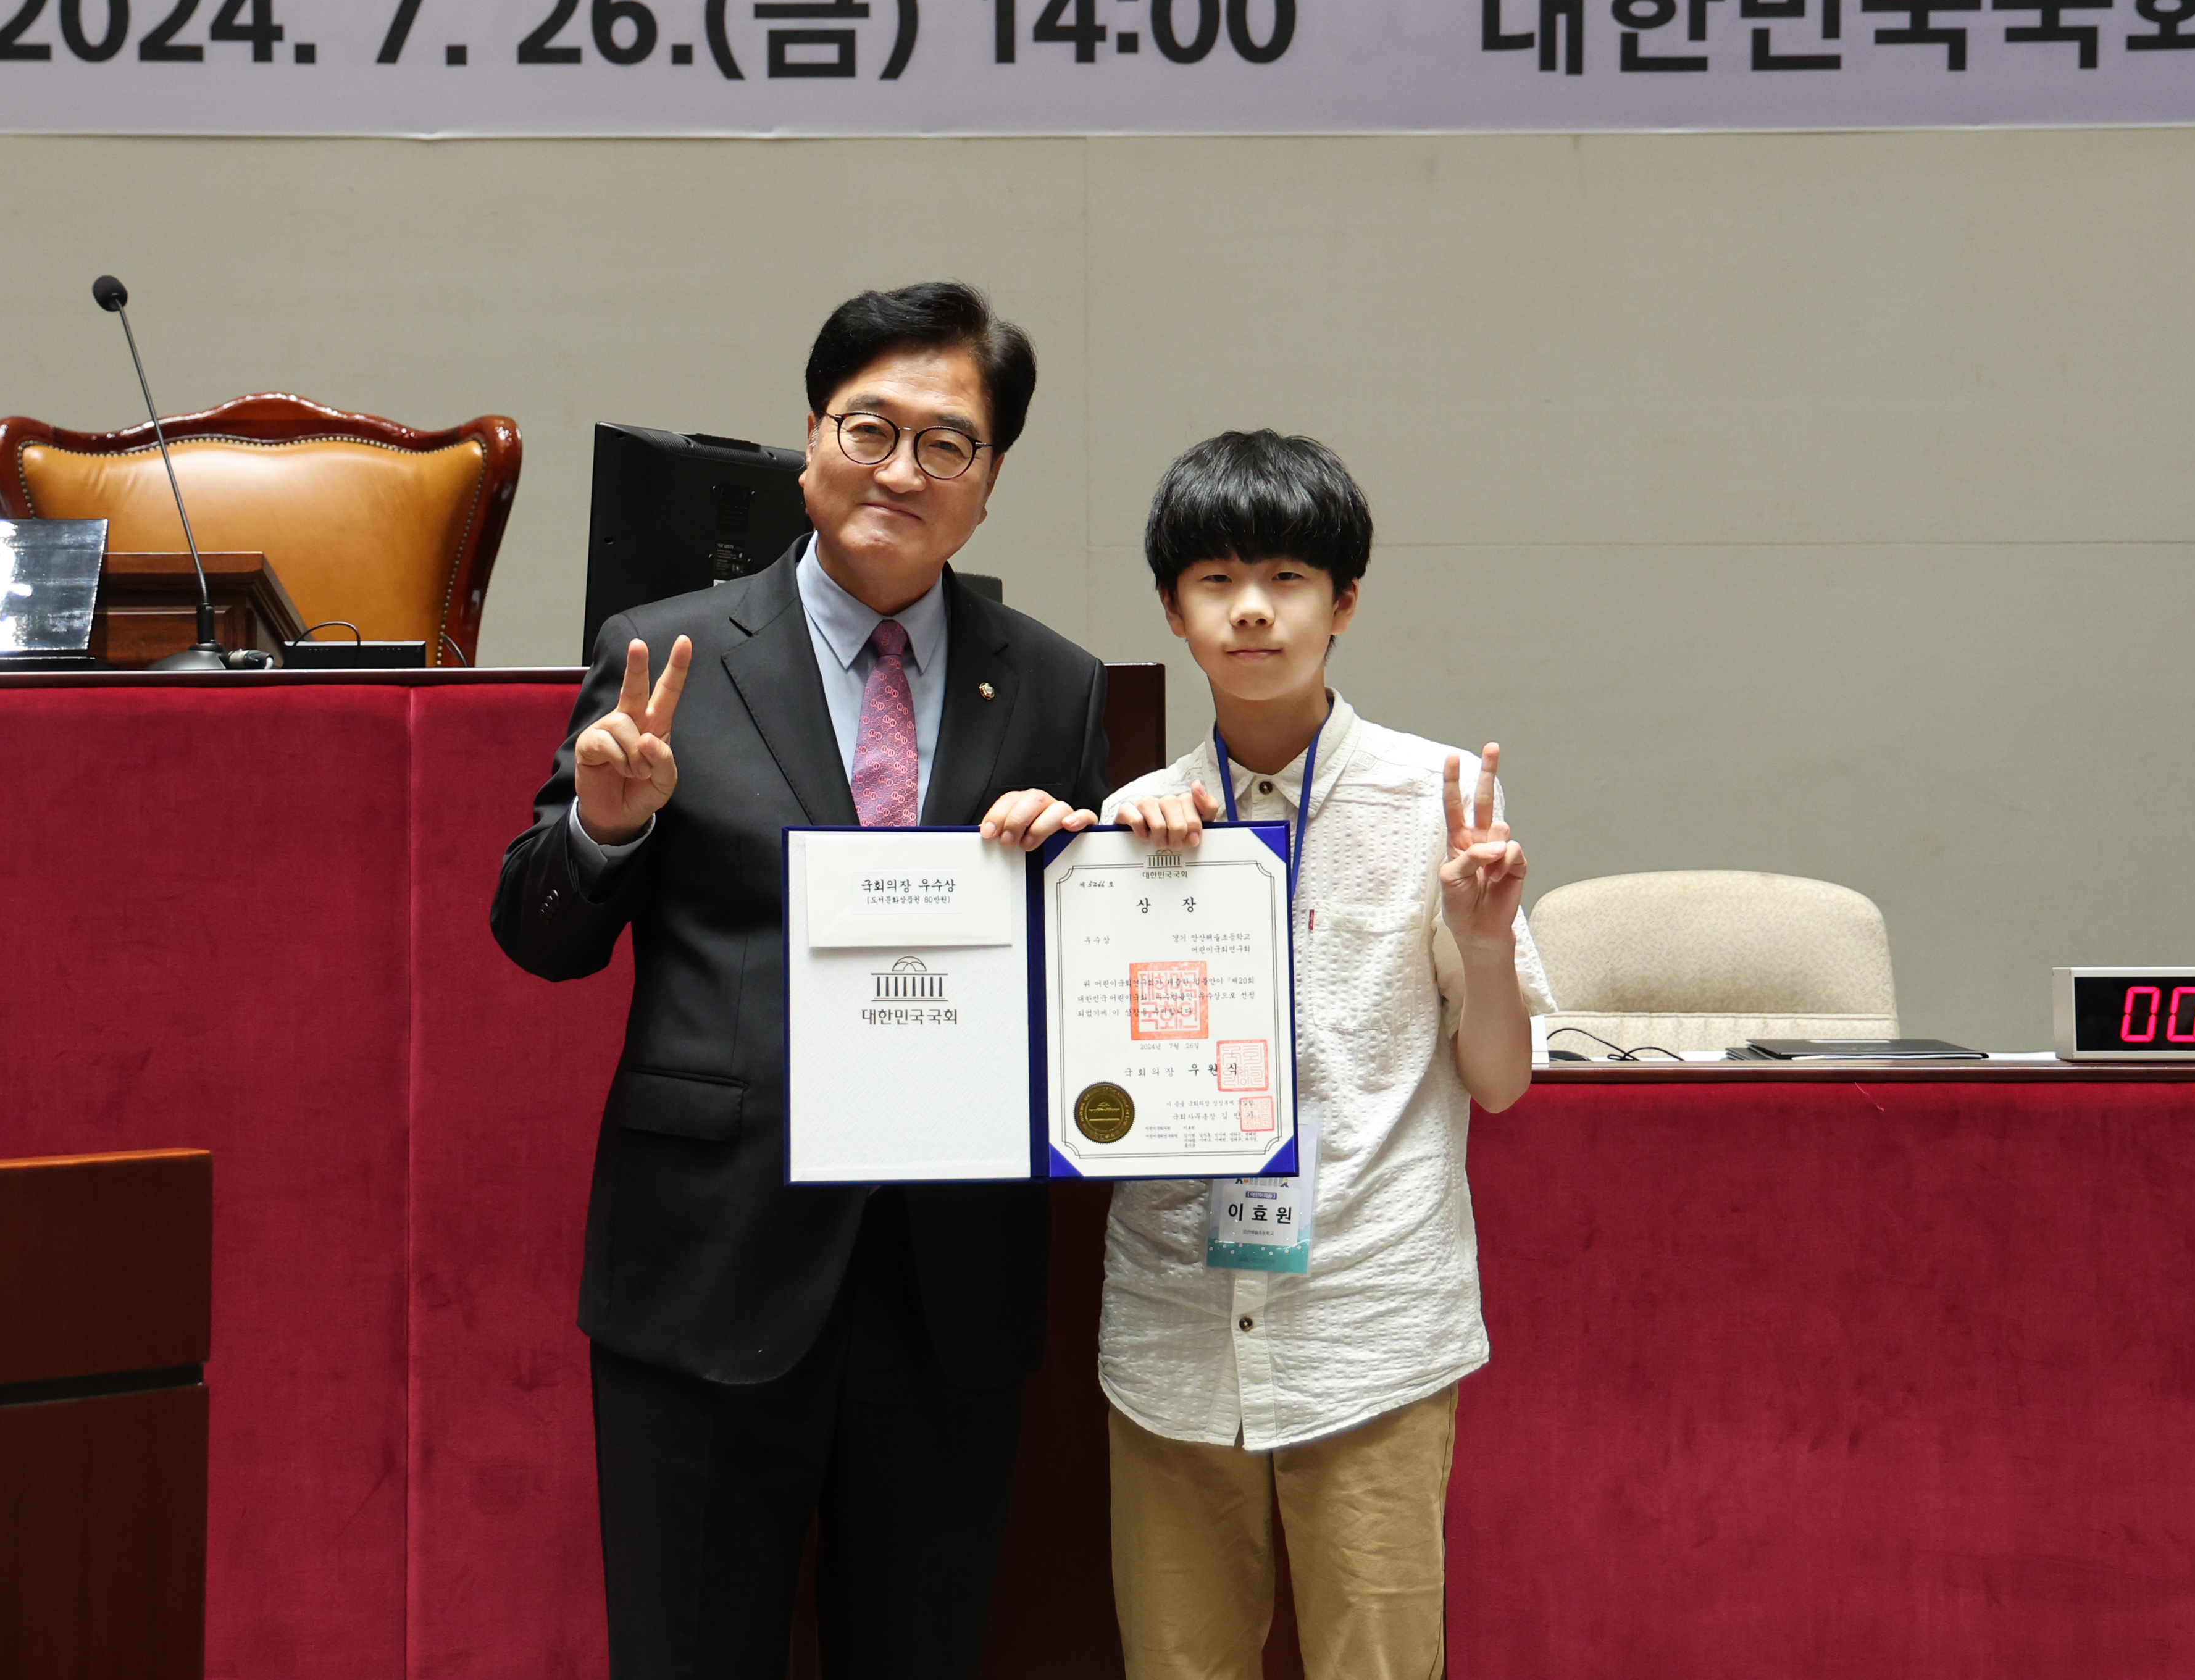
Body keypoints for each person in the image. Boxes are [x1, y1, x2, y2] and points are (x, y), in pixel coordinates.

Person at [490, 282, 1110, 1680]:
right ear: (812, 439)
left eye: (945, 443)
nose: (902, 469)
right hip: (710, 1263)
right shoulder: (667, 655)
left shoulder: (1056, 688)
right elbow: (541, 935)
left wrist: (1099, 873)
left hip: (946, 1286)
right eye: (869, 428)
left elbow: (1082, 982)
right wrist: (605, 825)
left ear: (991, 480)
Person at [1097, 430, 1552, 1680]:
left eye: (1290, 577)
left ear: (1344, 601)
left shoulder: (1441, 800)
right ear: (1173, 609)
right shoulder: (1131, 822)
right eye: (1216, 580)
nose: (1252, 608)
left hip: (1370, 1322)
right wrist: (1080, 860)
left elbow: (1502, 1081)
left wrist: (1486, 935)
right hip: (1174, 1326)